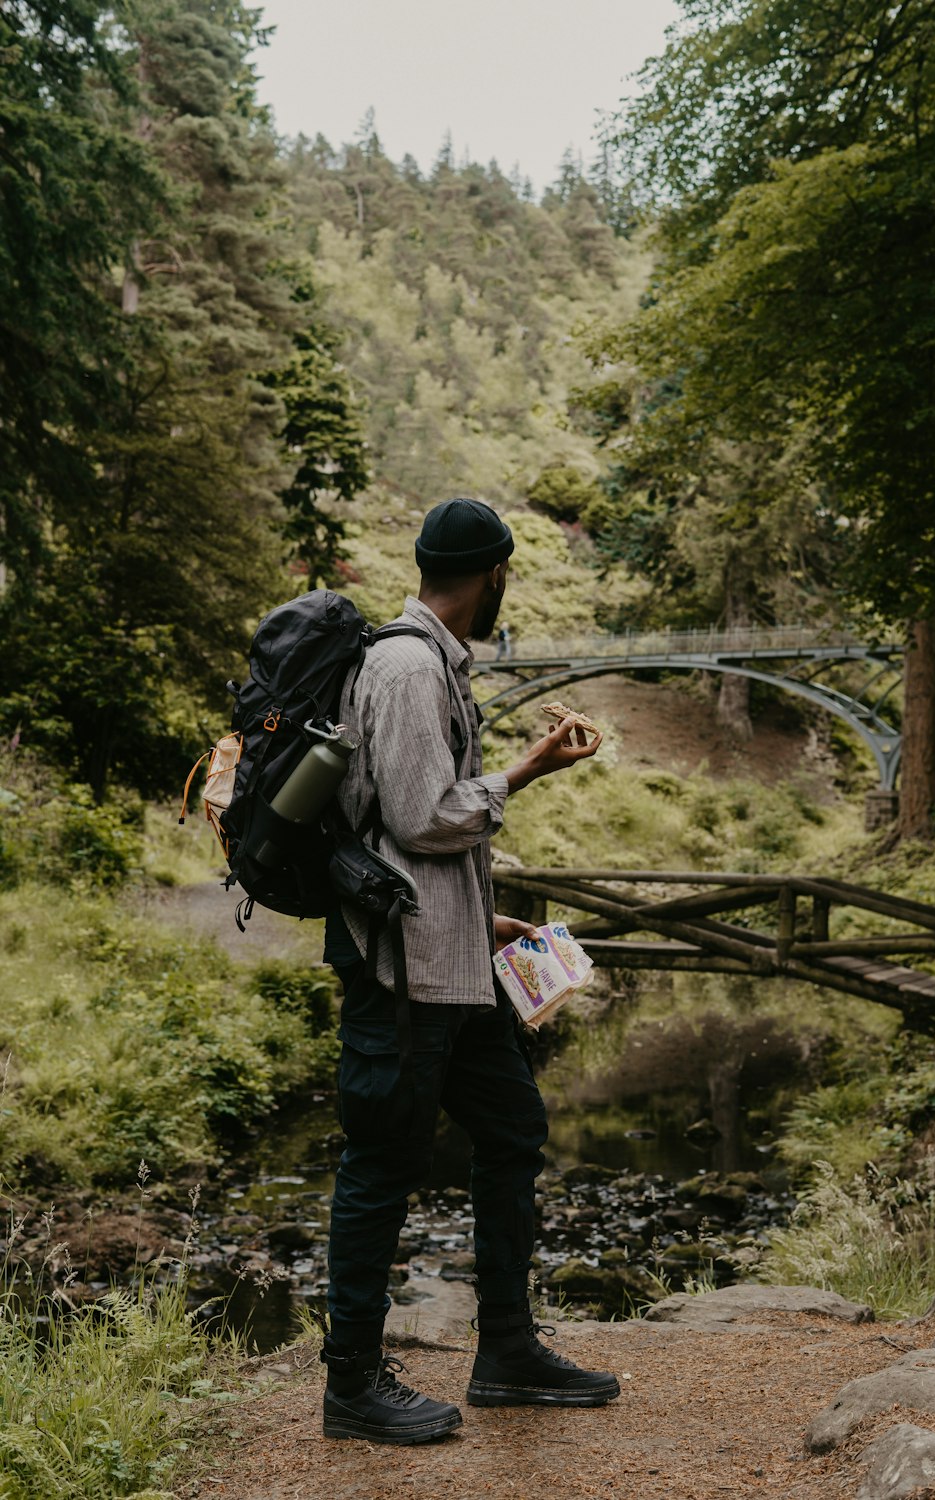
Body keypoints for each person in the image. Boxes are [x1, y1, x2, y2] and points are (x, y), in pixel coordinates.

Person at [320, 496, 620, 1445]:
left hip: (453, 959)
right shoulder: (409, 666)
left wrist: (486, 918)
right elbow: (420, 818)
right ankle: (352, 1387)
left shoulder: (431, 662)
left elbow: (402, 833)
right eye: (506, 578)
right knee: (381, 1163)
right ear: (494, 575)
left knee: (513, 1127)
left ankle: (507, 1351)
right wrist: (527, 771)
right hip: (401, 973)